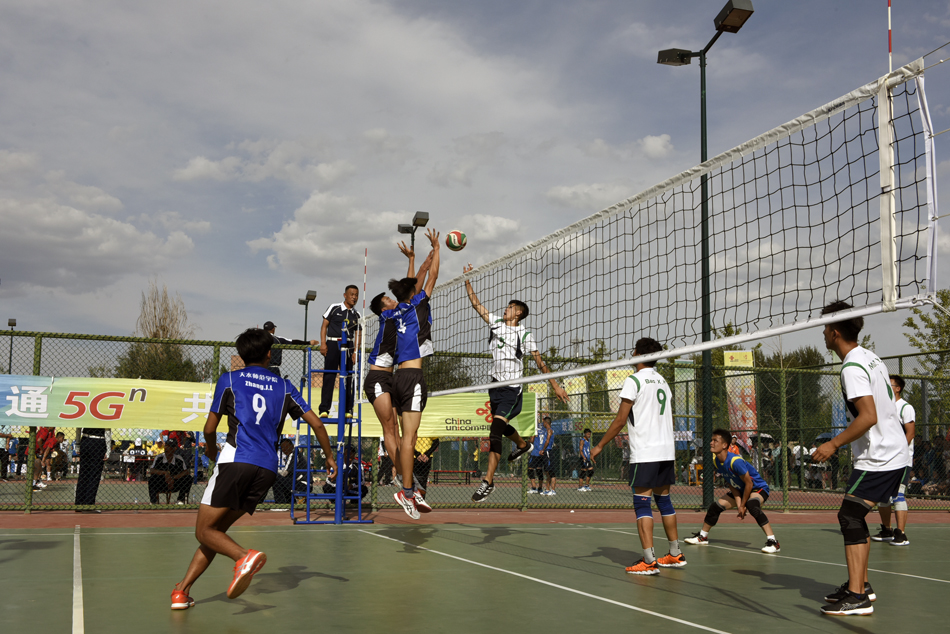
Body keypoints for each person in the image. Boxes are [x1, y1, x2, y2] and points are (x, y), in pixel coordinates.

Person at [170, 327, 336, 610]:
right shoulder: (285, 386)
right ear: (269, 354)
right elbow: (318, 424)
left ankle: (242, 556)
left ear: (241, 355)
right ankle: (181, 591)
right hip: (267, 469)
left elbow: (209, 428)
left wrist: (210, 450)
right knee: (216, 532)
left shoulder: (230, 379)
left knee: (203, 531)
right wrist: (330, 458)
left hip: (236, 460)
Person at [812, 301, 909, 616]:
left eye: (825, 327)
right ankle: (861, 585)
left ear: (835, 332)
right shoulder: (870, 356)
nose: (823, 333)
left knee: (850, 516)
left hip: (880, 456)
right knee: (855, 515)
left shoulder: (852, 367)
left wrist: (833, 444)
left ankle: (857, 597)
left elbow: (868, 416)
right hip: (890, 452)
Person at [464, 264, 569, 502]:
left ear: (518, 313)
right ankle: (522, 445)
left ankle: (488, 482)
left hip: (512, 389)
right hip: (495, 386)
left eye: (510, 307)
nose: (506, 308)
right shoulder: (496, 323)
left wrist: (555, 385)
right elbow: (476, 305)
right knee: (500, 429)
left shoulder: (525, 334)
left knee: (494, 431)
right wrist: (468, 279)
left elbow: (540, 362)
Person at [591, 337, 685, 575]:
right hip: (666, 451)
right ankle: (675, 554)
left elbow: (620, 420)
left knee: (642, 503)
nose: (631, 354)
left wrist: (600, 445)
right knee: (664, 501)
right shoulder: (662, 381)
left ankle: (649, 561)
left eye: (634, 351)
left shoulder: (634, 380)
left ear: (639, 355)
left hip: (646, 452)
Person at [365, 242, 434, 494]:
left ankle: (404, 475)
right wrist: (424, 265)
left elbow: (409, 288)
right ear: (383, 308)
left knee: (398, 429)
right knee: (390, 428)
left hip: (393, 377)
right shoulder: (388, 316)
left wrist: (413, 260)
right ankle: (405, 478)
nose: (392, 300)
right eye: (387, 299)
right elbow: (413, 287)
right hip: (377, 378)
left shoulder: (403, 312)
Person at [384, 228, 440, 519]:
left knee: (403, 437)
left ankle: (407, 487)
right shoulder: (418, 304)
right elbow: (432, 277)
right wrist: (437, 250)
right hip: (413, 377)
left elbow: (412, 283)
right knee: (410, 438)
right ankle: (406, 490)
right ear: (413, 293)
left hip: (396, 378)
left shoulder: (396, 312)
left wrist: (415, 261)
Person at [685, 428, 780, 553]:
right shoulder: (717, 461)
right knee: (715, 507)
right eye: (711, 440)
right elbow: (732, 483)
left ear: (725, 445)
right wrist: (739, 504)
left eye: (715, 440)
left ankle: (773, 542)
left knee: (752, 505)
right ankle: (702, 537)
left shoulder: (735, 461)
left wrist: (743, 505)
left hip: (758, 487)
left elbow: (749, 483)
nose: (711, 443)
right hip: (741, 488)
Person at [870, 374, 916, 547]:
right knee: (883, 496)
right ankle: (887, 530)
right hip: (885, 459)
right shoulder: (883, 407)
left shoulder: (905, 407)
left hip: (901, 460)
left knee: (898, 495)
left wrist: (899, 453)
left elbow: (910, 433)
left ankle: (901, 534)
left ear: (898, 388)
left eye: (889, 385)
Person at [318, 286, 362, 418]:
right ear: (345, 295)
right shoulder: (334, 307)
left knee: (348, 377)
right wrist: (323, 343)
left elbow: (358, 334)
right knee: (329, 376)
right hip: (333, 344)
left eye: (356, 295)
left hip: (348, 346)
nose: (354, 297)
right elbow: (324, 326)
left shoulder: (357, 314)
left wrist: (356, 351)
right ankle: (324, 409)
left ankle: (348, 409)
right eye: (352, 294)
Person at [74, 425, 108, 511]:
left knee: (83, 473)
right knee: (94, 475)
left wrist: (77, 444)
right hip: (98, 441)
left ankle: (79, 503)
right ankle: (89, 504)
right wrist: (108, 449)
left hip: (86, 440)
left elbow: (78, 427)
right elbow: (108, 430)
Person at [148, 439, 192, 504]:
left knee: (188, 478)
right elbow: (152, 470)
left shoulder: (178, 459)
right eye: (166, 446)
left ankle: (180, 500)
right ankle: (154, 501)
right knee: (152, 478)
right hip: (161, 483)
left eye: (170, 446)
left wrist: (173, 477)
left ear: (174, 449)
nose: (167, 448)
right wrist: (165, 473)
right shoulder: (159, 457)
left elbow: (186, 472)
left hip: (175, 483)